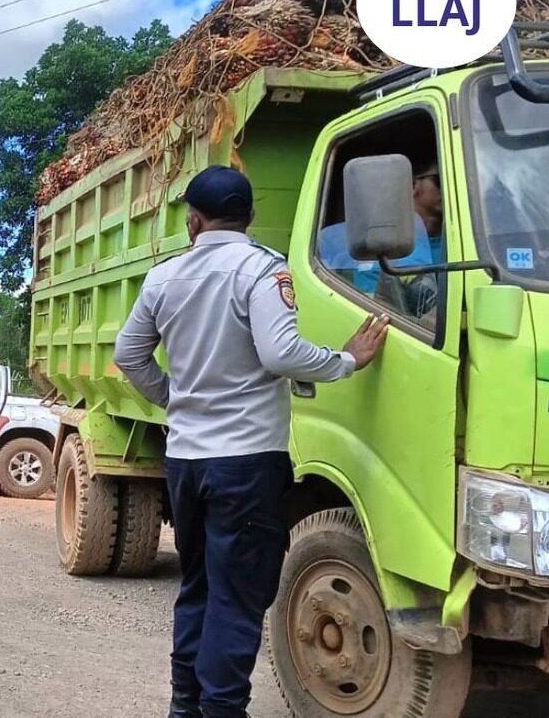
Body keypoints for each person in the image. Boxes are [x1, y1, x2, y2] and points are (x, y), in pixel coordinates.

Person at [112, 165, 389, 718]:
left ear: (194, 220)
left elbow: (128, 355)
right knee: (236, 599)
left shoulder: (164, 278)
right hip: (245, 463)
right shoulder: (262, 270)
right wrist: (346, 360)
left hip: (187, 461)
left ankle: (185, 706)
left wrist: (174, 398)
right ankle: (221, 709)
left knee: (198, 587)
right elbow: (281, 353)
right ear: (250, 217)